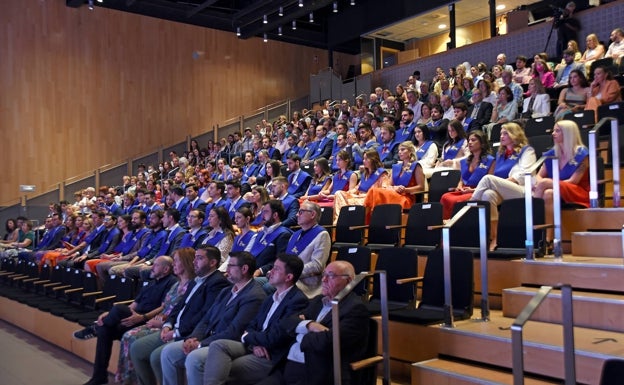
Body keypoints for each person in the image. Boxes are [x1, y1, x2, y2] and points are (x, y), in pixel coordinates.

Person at [159, 251, 266, 385]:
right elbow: (206, 319)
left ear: (244, 269)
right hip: (208, 338)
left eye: (231, 266)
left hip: (229, 343)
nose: (226, 270)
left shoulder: (254, 296)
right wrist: (194, 337)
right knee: (168, 352)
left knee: (194, 358)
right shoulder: (226, 291)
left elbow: (234, 331)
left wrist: (199, 344)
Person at [200, 254, 309, 385]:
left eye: (276, 269)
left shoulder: (297, 301)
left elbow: (276, 336)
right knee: (218, 345)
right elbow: (252, 325)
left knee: (219, 367)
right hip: (255, 346)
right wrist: (254, 343)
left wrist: (250, 338)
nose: (270, 272)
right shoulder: (271, 297)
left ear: (289, 277)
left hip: (271, 355)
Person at [129, 246, 230, 385]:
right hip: (172, 328)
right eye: (195, 258)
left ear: (212, 263)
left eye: (199, 258)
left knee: (156, 357)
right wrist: (168, 325)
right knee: (136, 349)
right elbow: (179, 307)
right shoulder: (196, 280)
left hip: (187, 333)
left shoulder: (217, 283)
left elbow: (204, 315)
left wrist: (176, 332)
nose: (195, 261)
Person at [256, 260, 369, 385]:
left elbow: (328, 343)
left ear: (349, 281)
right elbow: (287, 322)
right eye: (324, 275)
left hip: (315, 372)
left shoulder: (355, 309)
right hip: (286, 366)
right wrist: (310, 325)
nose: (324, 280)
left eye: (331, 276)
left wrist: (299, 333)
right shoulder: (318, 300)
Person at [73, 256, 178, 385]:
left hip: (146, 320)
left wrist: (142, 317)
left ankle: (95, 328)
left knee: (116, 310)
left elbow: (163, 307)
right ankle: (99, 376)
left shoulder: (172, 283)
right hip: (133, 317)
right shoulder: (151, 282)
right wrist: (109, 314)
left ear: (166, 269)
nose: (152, 267)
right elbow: (135, 303)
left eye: (156, 265)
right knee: (105, 330)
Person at [115, 248, 196, 385]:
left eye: (176, 261)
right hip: (162, 321)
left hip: (170, 327)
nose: (173, 265)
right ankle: (128, 380)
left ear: (186, 263)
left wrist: (160, 322)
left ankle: (132, 380)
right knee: (127, 334)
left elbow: (187, 313)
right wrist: (155, 319)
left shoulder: (193, 286)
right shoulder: (176, 284)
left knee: (131, 337)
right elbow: (165, 305)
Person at [470, 123, 537, 250]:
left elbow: (524, 174)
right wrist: (501, 184)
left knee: (488, 179)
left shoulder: (527, 150)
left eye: (505, 133)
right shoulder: (501, 154)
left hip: (523, 189)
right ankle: (495, 237)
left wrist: (503, 182)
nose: (501, 136)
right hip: (506, 189)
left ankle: (469, 207)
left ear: (515, 134)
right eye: (501, 133)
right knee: (487, 195)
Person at [534, 120, 589, 246]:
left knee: (544, 185)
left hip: (576, 190)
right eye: (553, 130)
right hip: (556, 190)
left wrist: (545, 183)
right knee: (548, 193)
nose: (553, 133)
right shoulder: (552, 153)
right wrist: (543, 183)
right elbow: (538, 175)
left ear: (568, 133)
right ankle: (548, 238)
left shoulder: (582, 153)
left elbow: (573, 181)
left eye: (557, 131)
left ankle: (532, 224)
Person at [440, 130, 495, 219]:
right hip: (464, 190)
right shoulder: (465, 161)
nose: (470, 142)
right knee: (445, 197)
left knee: (456, 201)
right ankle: (446, 224)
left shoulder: (490, 160)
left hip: (478, 191)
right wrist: (459, 186)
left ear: (482, 143)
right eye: (469, 140)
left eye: (473, 140)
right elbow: (462, 180)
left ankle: (457, 224)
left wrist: (472, 190)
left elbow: (490, 184)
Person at [284, 201, 331, 299]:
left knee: (267, 287)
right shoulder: (294, 235)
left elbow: (317, 266)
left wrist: (292, 273)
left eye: (301, 212)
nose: (297, 214)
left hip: (305, 283)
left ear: (312, 214)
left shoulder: (322, 234)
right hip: (286, 279)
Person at [364, 141, 425, 212]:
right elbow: (389, 185)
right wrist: (395, 188)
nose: (399, 152)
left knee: (375, 192)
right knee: (374, 191)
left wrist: (405, 190)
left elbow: (421, 187)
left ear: (410, 151)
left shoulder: (416, 166)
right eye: (399, 150)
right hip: (394, 194)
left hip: (406, 198)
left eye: (402, 149)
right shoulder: (396, 167)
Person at [333, 149, 389, 223]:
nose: (363, 161)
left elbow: (384, 189)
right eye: (363, 159)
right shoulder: (365, 174)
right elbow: (357, 189)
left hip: (369, 199)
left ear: (373, 159)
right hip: (359, 196)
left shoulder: (381, 174)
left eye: (366, 159)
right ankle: (339, 221)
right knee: (338, 193)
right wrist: (347, 193)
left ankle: (345, 220)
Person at [202, 206, 235, 271]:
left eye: (212, 216)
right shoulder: (209, 233)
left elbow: (221, 258)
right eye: (209, 216)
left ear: (220, 219)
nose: (208, 219)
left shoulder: (227, 236)